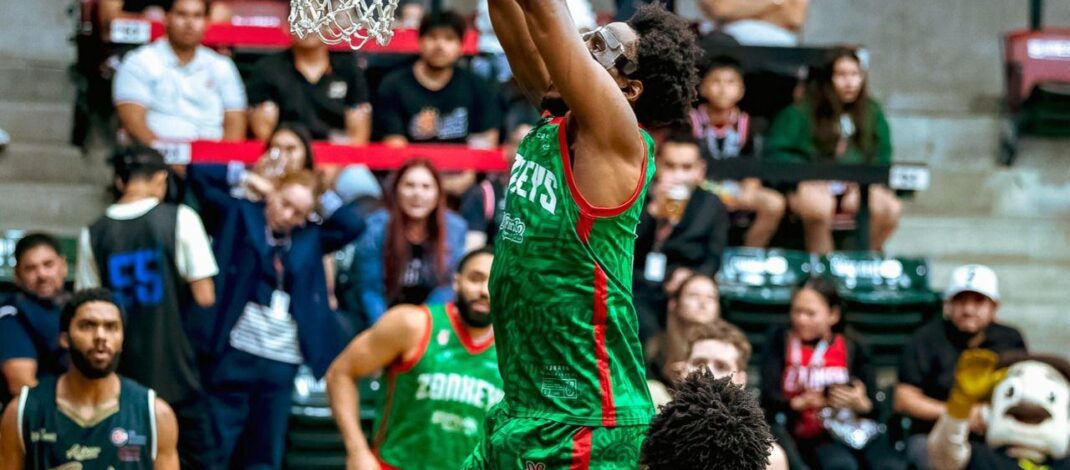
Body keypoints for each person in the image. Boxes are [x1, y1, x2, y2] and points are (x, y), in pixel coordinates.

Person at [467, 0, 701, 467]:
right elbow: (515, 19)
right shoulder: (561, 116)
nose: (588, 47)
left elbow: (549, 19)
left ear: (629, 90)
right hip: (526, 407)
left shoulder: (616, 137)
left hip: (589, 422)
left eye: (604, 46)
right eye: (590, 37)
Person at [185, 167, 365, 469]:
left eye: (299, 212)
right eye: (285, 203)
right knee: (215, 449)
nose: (288, 216)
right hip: (233, 352)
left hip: (281, 360)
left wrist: (322, 198)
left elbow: (353, 224)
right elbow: (198, 175)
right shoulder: (240, 214)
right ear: (273, 193)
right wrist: (245, 176)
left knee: (264, 454)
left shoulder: (309, 237)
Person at [75, 145, 217, 468]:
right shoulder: (179, 217)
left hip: (121, 375)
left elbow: (88, 304)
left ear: (121, 181)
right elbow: (205, 296)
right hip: (178, 369)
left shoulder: (93, 232)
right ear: (160, 179)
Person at [326, 247, 502, 470]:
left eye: (495, 282)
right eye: (476, 279)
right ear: (456, 282)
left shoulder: (517, 352)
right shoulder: (413, 324)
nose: (485, 291)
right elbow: (340, 374)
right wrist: (357, 452)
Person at [0, 288, 180, 469]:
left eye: (111, 327)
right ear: (64, 338)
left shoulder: (155, 414)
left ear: (122, 339)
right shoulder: (22, 412)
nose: (100, 336)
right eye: (87, 325)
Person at [760, 278, 903, 470]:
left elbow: (875, 405)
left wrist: (861, 403)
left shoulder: (853, 345)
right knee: (841, 465)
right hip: (812, 432)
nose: (801, 319)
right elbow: (768, 398)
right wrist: (797, 404)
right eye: (797, 311)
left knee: (890, 466)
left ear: (833, 315)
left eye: (810, 313)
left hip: (857, 427)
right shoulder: (779, 341)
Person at [767, 47, 900, 254]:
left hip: (857, 186)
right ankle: (824, 271)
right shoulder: (800, 112)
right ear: (827, 78)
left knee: (890, 209)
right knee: (819, 208)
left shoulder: (871, 111)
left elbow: (882, 154)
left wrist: (862, 180)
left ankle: (857, 260)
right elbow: (777, 152)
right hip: (811, 183)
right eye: (841, 75)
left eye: (855, 75)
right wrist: (809, 175)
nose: (849, 82)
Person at [895, 265, 1028, 470]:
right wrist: (959, 414)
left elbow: (1025, 390)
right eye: (961, 300)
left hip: (995, 432)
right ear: (948, 305)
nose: (968, 309)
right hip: (932, 433)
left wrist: (986, 414)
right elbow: (903, 398)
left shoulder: (1010, 339)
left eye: (978, 301)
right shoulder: (926, 338)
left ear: (994, 307)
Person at [633, 133, 728, 343]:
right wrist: (651, 213)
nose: (678, 175)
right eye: (670, 166)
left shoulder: (711, 205)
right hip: (640, 285)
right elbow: (624, 249)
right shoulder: (638, 198)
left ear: (700, 170)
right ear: (657, 164)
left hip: (684, 285)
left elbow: (714, 259)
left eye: (686, 167)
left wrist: (690, 276)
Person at [113, 0, 247, 144]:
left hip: (212, 159)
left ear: (207, 22)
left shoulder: (222, 65)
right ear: (167, 18)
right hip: (155, 159)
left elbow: (235, 121)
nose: (189, 23)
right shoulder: (139, 61)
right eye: (182, 15)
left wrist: (225, 160)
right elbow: (133, 122)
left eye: (197, 16)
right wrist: (163, 157)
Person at [352, 159, 467, 323]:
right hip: (379, 319)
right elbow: (369, 289)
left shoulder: (455, 228)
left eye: (426, 187)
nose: (417, 194)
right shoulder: (375, 227)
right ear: (396, 190)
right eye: (409, 185)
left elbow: (447, 285)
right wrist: (386, 329)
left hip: (430, 319)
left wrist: (422, 324)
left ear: (438, 194)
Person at [690, 57, 784, 248]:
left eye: (731, 82)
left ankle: (750, 252)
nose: (723, 88)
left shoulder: (748, 124)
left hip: (736, 188)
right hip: (698, 186)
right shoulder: (691, 121)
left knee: (774, 203)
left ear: (741, 91)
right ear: (702, 88)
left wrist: (749, 191)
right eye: (716, 81)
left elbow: (753, 163)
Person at [928, 349, 1070, 470]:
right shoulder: (980, 458)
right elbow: (944, 456)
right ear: (987, 413)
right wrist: (960, 403)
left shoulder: (1063, 464)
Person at [679, 321, 790, 470]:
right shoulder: (656, 441)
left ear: (740, 380)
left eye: (721, 366)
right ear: (683, 371)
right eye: (699, 363)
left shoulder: (770, 457)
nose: (707, 372)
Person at [247, 29, 372, 143]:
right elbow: (263, 132)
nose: (309, 26)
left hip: (338, 157)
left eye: (316, 19)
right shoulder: (267, 68)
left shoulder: (348, 69)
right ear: (288, 26)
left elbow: (359, 135)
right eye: (301, 19)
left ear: (330, 26)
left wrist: (335, 164)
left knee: (358, 169)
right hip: (287, 153)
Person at [641, 368, 775, 470]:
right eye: (699, 362)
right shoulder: (662, 412)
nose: (709, 369)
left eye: (721, 365)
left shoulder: (775, 456)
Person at [0, 234, 69, 404]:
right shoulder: (11, 315)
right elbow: (22, 387)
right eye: (30, 268)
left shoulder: (73, 308)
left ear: (63, 265)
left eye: (48, 264)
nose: (42, 275)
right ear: (17, 275)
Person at [459, 123, 532, 250]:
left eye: (536, 145)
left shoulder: (557, 197)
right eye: (521, 143)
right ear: (506, 149)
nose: (529, 150)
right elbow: (473, 251)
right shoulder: (483, 193)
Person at [645, 273, 721, 392]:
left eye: (711, 297)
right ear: (674, 303)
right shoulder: (657, 346)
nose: (703, 303)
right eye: (694, 296)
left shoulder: (727, 348)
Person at [697, 0, 809, 46]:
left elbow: (795, 18)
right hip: (726, 43)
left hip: (779, 47)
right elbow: (721, 9)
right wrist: (775, 3)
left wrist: (743, 9)